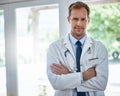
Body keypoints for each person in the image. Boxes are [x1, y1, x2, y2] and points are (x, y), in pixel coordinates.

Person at [47, 1, 108, 96]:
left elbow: (101, 83)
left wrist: (68, 75)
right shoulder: (55, 48)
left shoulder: (99, 48)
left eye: (83, 19)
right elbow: (56, 82)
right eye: (75, 19)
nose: (79, 23)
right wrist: (85, 75)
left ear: (88, 21)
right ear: (68, 19)